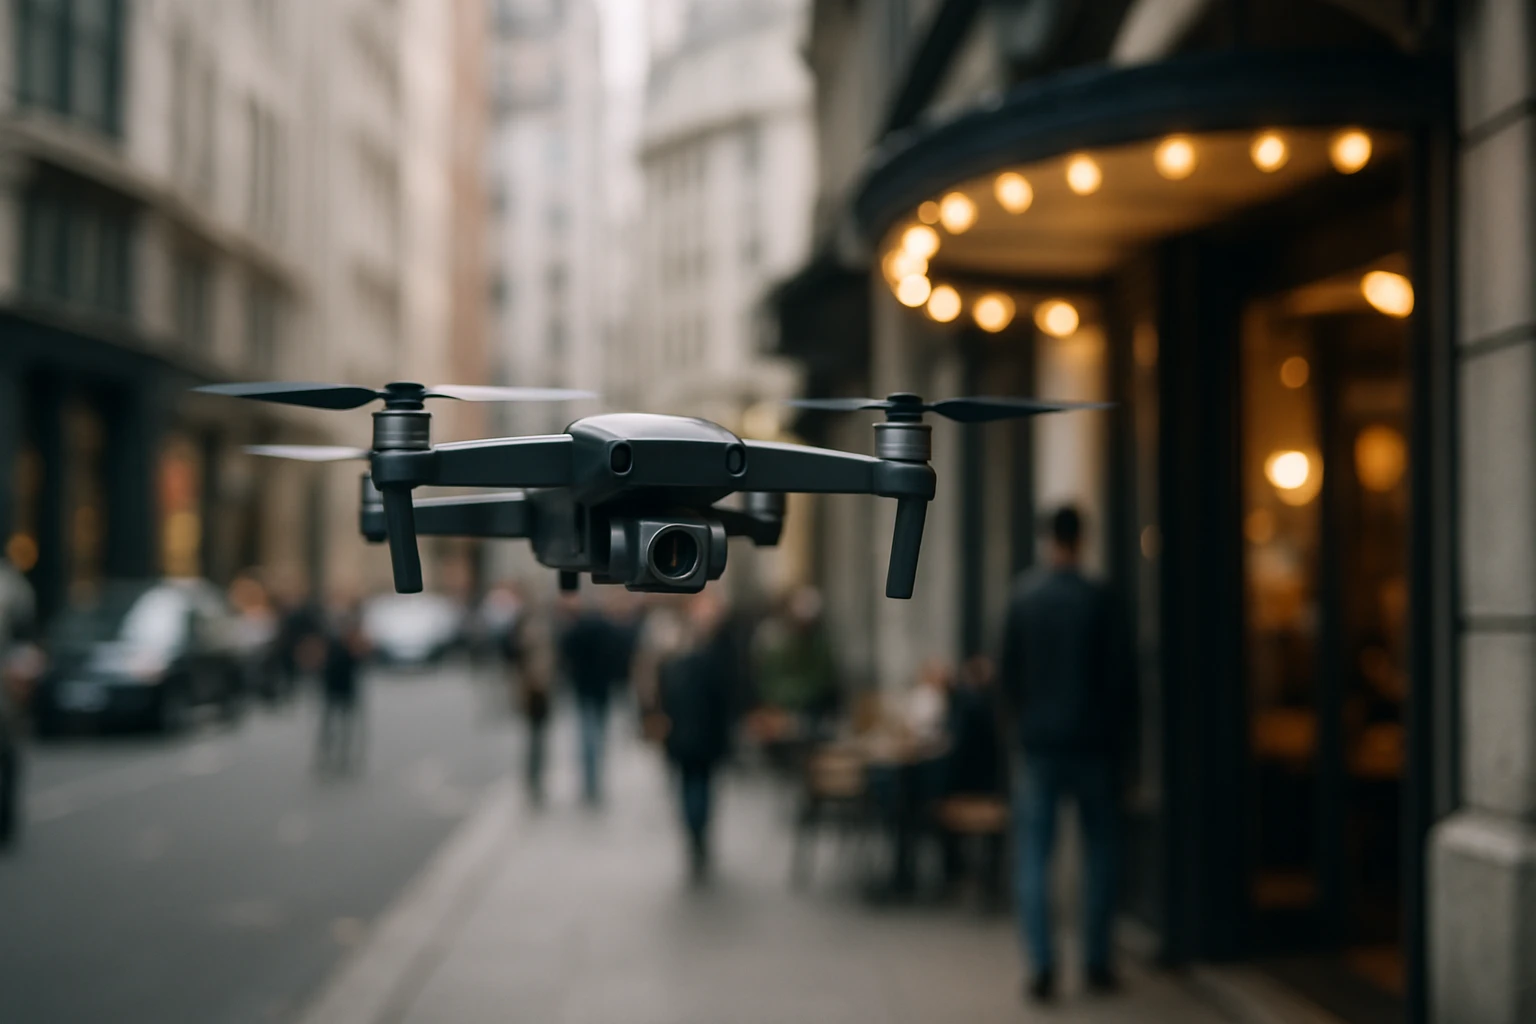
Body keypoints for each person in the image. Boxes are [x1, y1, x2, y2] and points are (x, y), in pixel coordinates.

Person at [998, 506, 1136, 1003]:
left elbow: (1008, 677)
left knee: (1034, 858)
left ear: (1047, 539)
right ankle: (1096, 961)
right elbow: (1122, 680)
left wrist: (1020, 729)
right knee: (1101, 854)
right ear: (1082, 539)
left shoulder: (1025, 598)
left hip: (1040, 745)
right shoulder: (1101, 599)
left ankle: (1042, 964)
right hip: (1095, 747)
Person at [656, 590, 735, 882]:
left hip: (698, 731)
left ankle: (697, 835)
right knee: (696, 787)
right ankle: (697, 835)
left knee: (698, 787)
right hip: (691, 732)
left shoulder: (713, 649)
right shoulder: (690, 651)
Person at [556, 591, 626, 804]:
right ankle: (595, 781)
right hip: (602, 688)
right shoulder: (608, 628)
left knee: (587, 736)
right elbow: (619, 655)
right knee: (598, 735)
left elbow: (565, 654)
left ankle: (590, 782)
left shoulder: (576, 629)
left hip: (583, 688)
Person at [316, 592, 369, 774]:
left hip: (345, 684)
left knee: (343, 723)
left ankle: (341, 757)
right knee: (331, 723)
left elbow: (361, 657)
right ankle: (327, 755)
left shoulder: (351, 638)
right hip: (332, 683)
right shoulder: (329, 637)